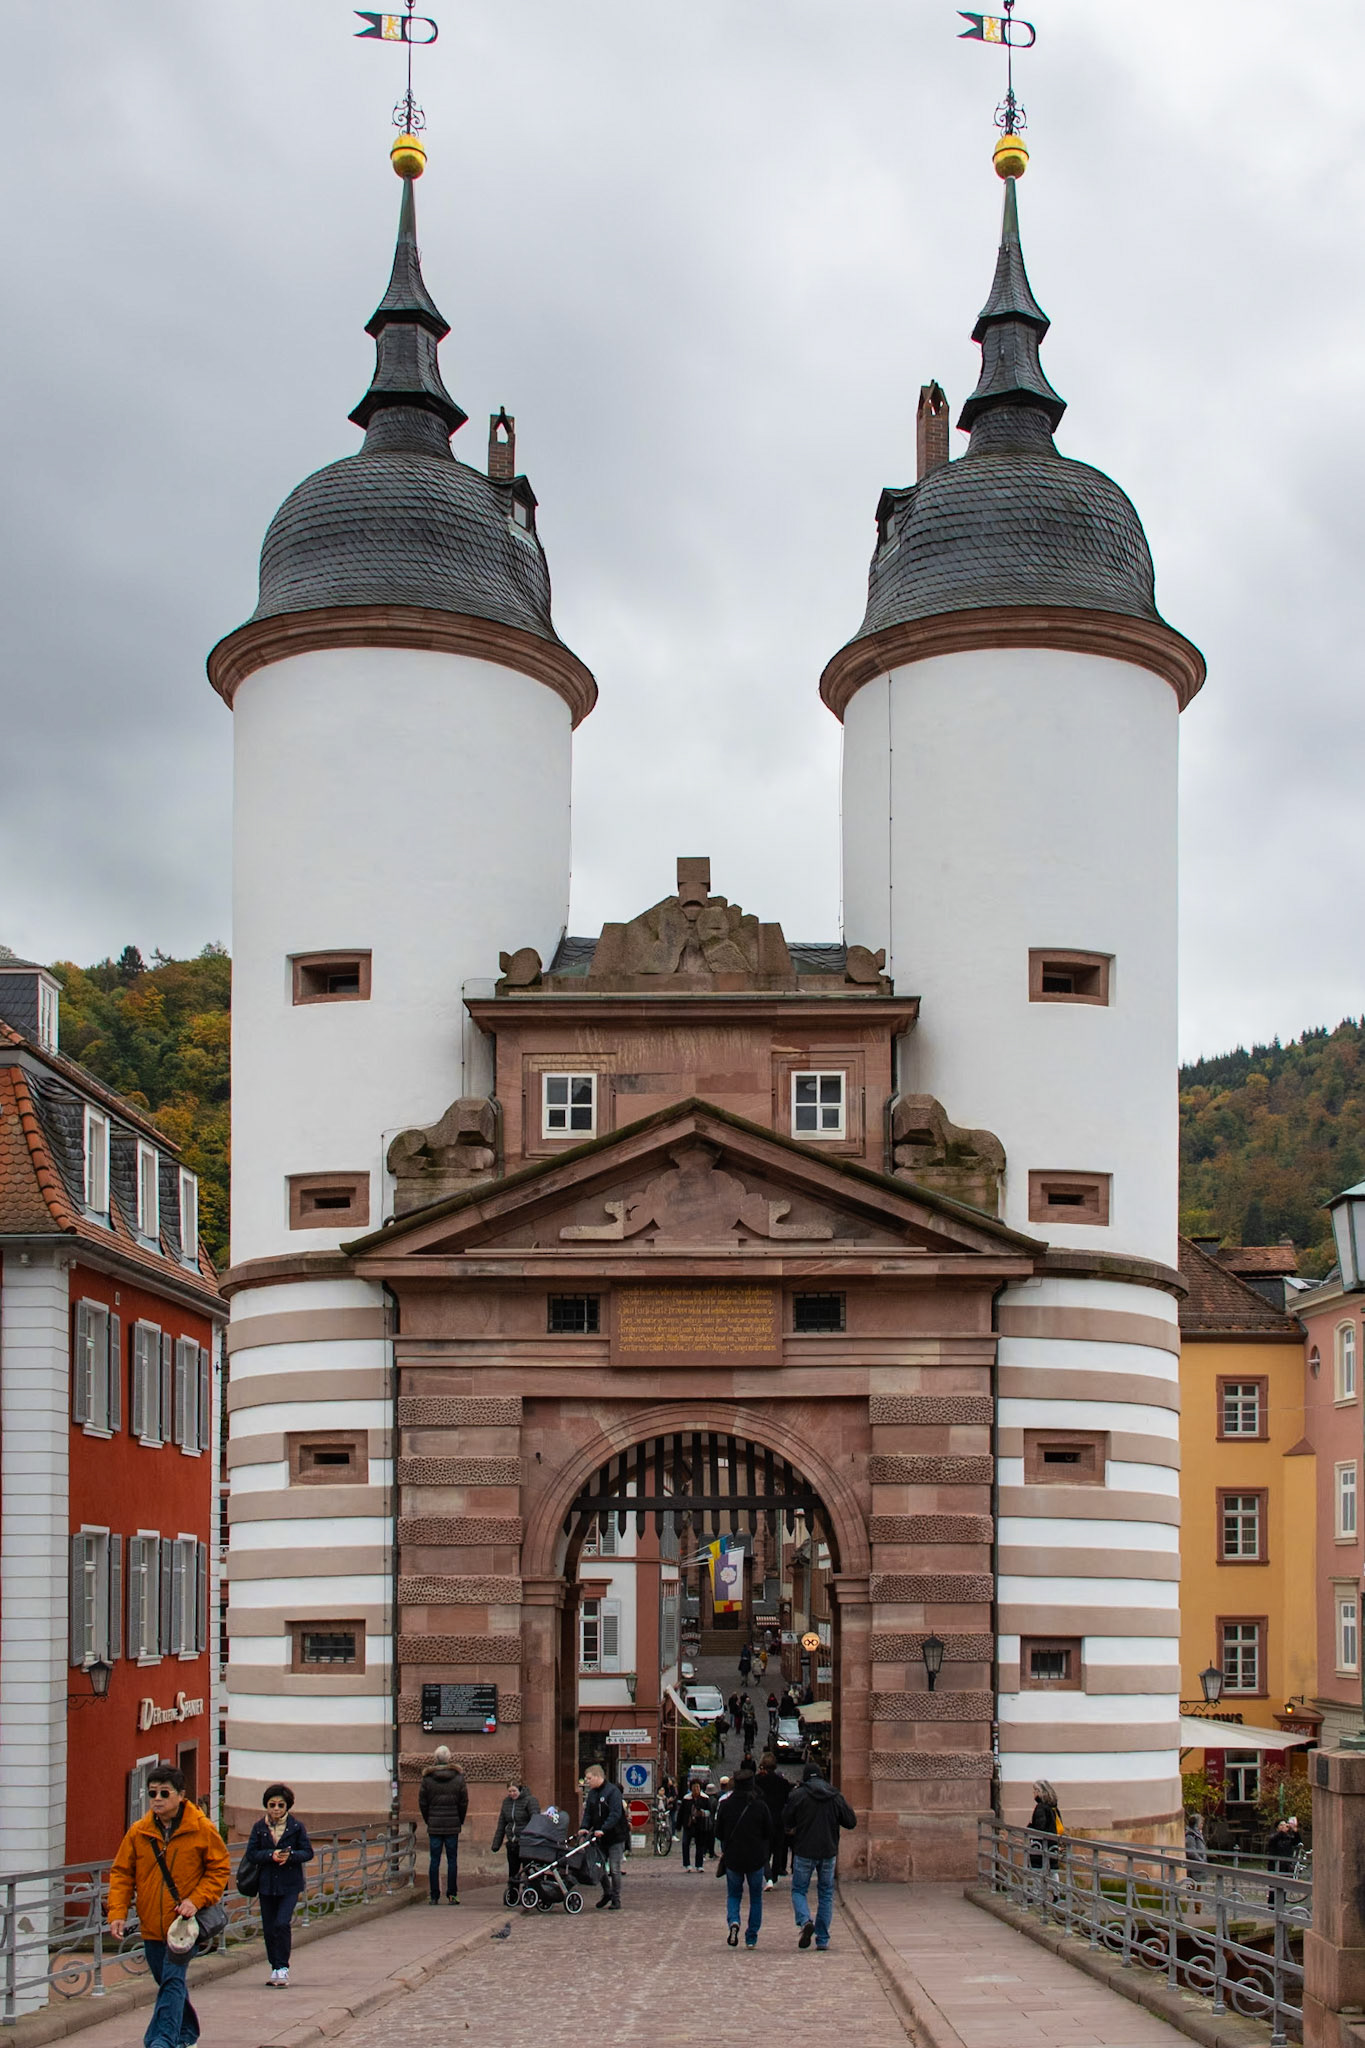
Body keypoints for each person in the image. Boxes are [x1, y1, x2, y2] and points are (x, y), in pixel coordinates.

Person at [107, 1763, 230, 2048]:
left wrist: (195, 1900)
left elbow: (219, 1870)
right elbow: (122, 1873)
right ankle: (187, 2035)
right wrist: (117, 1913)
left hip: (183, 1927)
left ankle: (161, 2040)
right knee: (166, 1982)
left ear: (181, 1795)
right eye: (153, 1793)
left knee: (173, 1980)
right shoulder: (139, 1832)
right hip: (151, 1925)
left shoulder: (201, 1829)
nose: (158, 1799)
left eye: (165, 1792)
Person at [241, 1784, 314, 1987]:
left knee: (282, 1923)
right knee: (269, 1927)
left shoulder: (296, 1827)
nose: (276, 1809)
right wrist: (270, 1855)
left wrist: (290, 1856)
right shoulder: (259, 1827)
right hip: (266, 1884)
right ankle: (274, 1966)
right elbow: (252, 1854)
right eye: (272, 1805)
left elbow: (307, 1852)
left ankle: (283, 1967)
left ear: (287, 1806)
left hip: (289, 1884)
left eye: (280, 1805)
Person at [784, 1761, 856, 1952]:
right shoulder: (834, 1795)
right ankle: (822, 1939)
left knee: (799, 1890)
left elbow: (786, 1820)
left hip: (804, 1850)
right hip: (828, 1850)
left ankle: (805, 1920)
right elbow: (851, 1821)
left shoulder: (798, 1795)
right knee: (825, 1893)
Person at [716, 1769, 773, 1949]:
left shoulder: (726, 1805)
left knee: (734, 1895)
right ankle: (751, 1937)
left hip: (733, 1857)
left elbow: (718, 1832)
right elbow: (768, 1832)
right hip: (755, 1858)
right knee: (755, 1897)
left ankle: (734, 1921)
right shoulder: (760, 1806)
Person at [419, 1745, 468, 1904]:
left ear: (435, 1758)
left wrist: (429, 1819)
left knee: (434, 1860)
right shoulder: (458, 1778)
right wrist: (459, 1819)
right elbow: (463, 1802)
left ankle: (434, 1896)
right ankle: (452, 1894)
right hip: (452, 1824)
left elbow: (423, 1803)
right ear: (449, 1759)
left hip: (434, 1824)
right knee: (452, 1860)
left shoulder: (427, 1779)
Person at [582, 1764, 628, 1910]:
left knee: (614, 1868)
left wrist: (604, 1829)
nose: (587, 1781)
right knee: (599, 1866)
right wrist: (584, 1827)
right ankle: (607, 1892)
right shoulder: (592, 1794)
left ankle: (616, 1898)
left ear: (597, 1776)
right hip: (599, 1837)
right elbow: (588, 1813)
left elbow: (615, 1813)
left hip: (615, 1835)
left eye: (589, 1778)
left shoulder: (612, 1792)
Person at [490, 1779, 540, 1896]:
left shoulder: (530, 1801)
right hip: (512, 1842)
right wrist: (496, 1844)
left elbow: (535, 1819)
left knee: (528, 1869)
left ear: (520, 1790)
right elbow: (502, 1823)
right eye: (510, 1791)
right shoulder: (506, 1802)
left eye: (514, 1791)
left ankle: (531, 1892)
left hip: (526, 1842)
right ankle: (513, 1893)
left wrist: (531, 1836)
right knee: (513, 1871)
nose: (512, 1794)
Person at [756, 1753, 791, 1888]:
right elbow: (787, 1802)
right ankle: (775, 1874)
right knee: (778, 1849)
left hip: (763, 1821)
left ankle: (768, 1875)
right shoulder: (783, 1783)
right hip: (778, 1820)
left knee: (764, 1850)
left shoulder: (757, 1781)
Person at [680, 1781, 714, 1870]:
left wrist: (702, 1813)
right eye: (694, 1787)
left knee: (700, 1844)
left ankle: (699, 1865)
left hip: (701, 1824)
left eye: (698, 1787)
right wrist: (679, 1825)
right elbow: (681, 1812)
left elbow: (710, 1812)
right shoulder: (686, 1799)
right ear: (691, 1788)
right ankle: (687, 1864)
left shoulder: (705, 1798)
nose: (696, 1789)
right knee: (685, 1843)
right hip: (688, 1824)